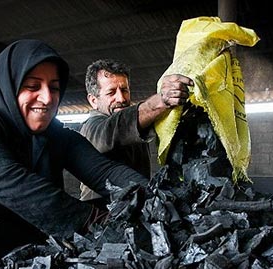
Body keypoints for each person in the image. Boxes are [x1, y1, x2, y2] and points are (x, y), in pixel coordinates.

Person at [0, 40, 147, 240]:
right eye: (32, 86)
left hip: (3, 252)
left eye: (54, 88)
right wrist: (99, 222)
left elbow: (106, 172)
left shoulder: (55, 136)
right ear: (9, 87)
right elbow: (15, 184)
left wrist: (159, 198)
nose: (47, 98)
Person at [78, 59, 193, 201]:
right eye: (111, 92)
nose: (121, 98)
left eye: (124, 90)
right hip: (102, 214)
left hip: (136, 207)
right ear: (93, 100)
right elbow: (116, 127)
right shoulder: (91, 129)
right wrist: (161, 100)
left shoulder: (138, 122)